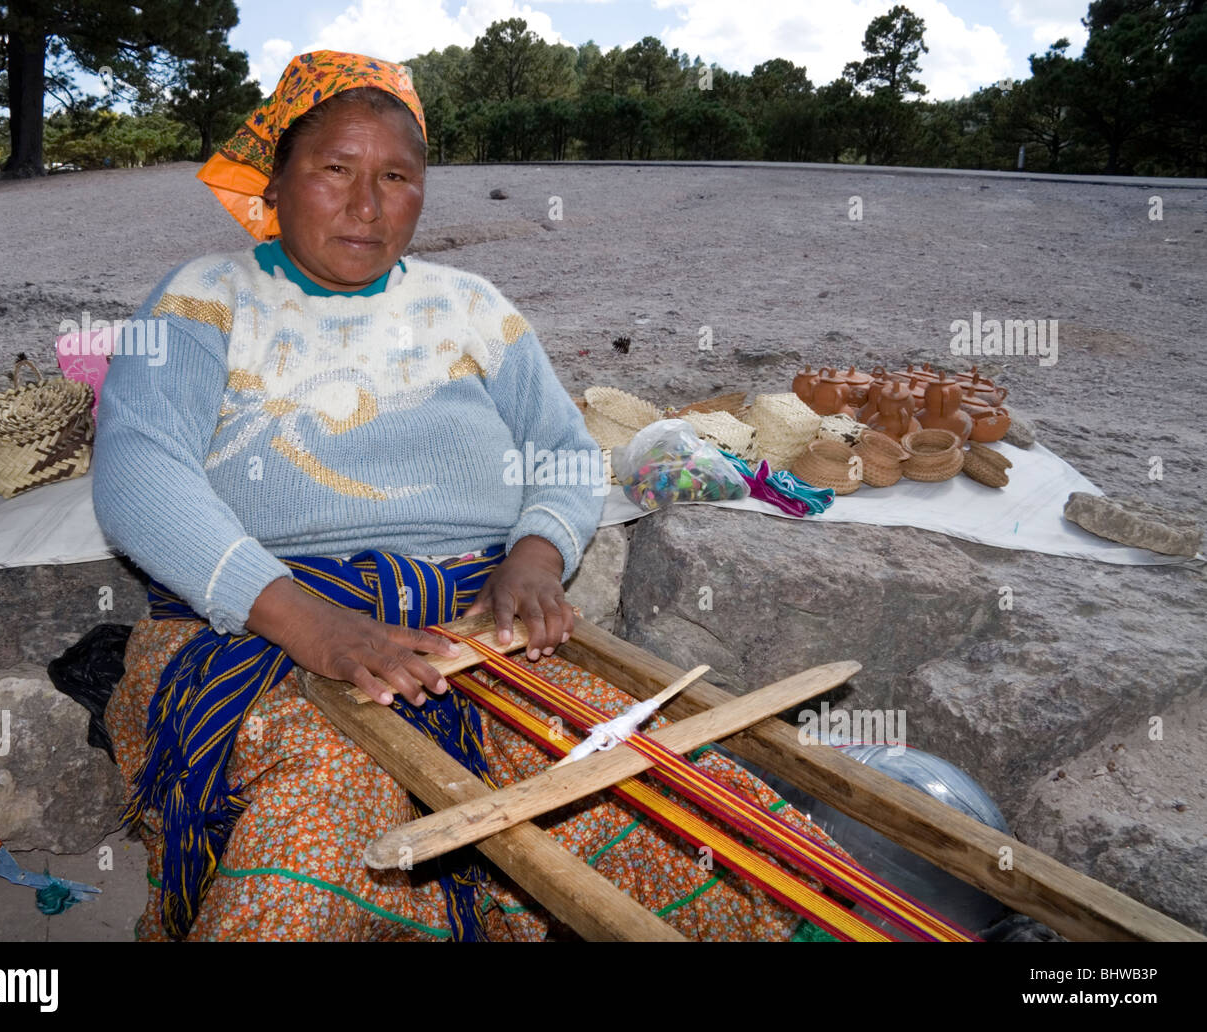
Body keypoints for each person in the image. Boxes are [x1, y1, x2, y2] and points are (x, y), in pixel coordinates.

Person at [95, 50, 838, 941]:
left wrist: (536, 553)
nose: (367, 205)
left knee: (650, 795)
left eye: (397, 177)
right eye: (335, 169)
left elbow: (564, 455)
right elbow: (141, 473)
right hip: (271, 627)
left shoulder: (472, 306)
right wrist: (318, 629)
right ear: (277, 182)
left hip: (478, 622)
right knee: (327, 806)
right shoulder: (205, 297)